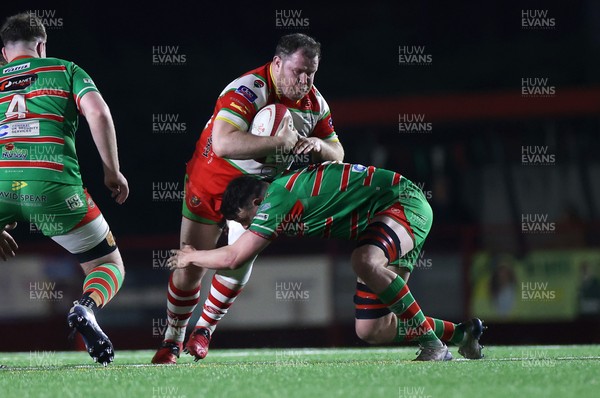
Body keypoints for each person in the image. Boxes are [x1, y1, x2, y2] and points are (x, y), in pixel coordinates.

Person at [152, 33, 344, 364]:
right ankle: (172, 338)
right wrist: (281, 144)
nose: (303, 81)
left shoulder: (316, 103)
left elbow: (337, 153)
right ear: (278, 63)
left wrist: (319, 148)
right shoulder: (248, 88)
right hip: (210, 182)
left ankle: (204, 331)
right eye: (297, 71)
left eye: (310, 73)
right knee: (190, 265)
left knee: (239, 257)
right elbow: (224, 143)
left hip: (257, 190)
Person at [168, 161, 485, 361]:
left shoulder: (276, 198)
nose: (251, 227)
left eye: (248, 221)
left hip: (402, 202)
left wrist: (192, 255)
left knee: (364, 260)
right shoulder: (280, 194)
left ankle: (433, 346)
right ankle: (461, 334)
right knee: (372, 329)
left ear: (255, 202)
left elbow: (235, 256)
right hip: (385, 216)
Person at [0, 13, 128, 366]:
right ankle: (85, 309)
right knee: (108, 263)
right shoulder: (65, 69)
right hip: (53, 185)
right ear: (41, 46)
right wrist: (112, 173)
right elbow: (99, 114)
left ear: (3, 52)